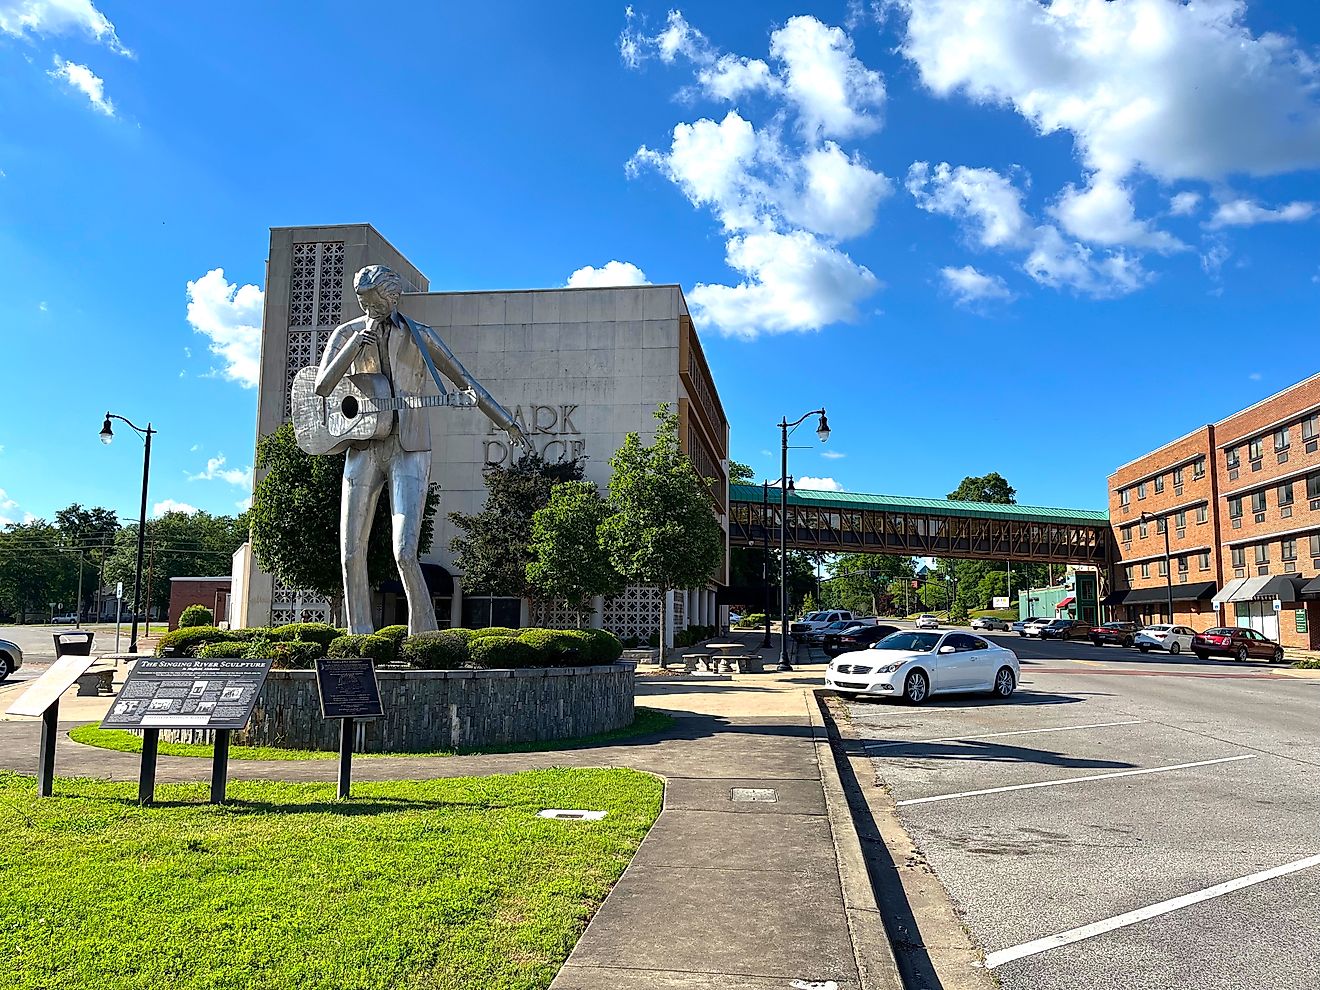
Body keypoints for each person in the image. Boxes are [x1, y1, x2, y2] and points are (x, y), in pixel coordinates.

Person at [314, 264, 527, 634]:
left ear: (392, 297)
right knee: (350, 553)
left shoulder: (420, 336)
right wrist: (352, 347)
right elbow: (321, 386)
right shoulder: (347, 333)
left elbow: (466, 380)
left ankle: (424, 638)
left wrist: (505, 420)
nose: (368, 310)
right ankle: (360, 640)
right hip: (363, 446)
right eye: (361, 302)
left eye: (374, 302)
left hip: (409, 447)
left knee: (404, 551)